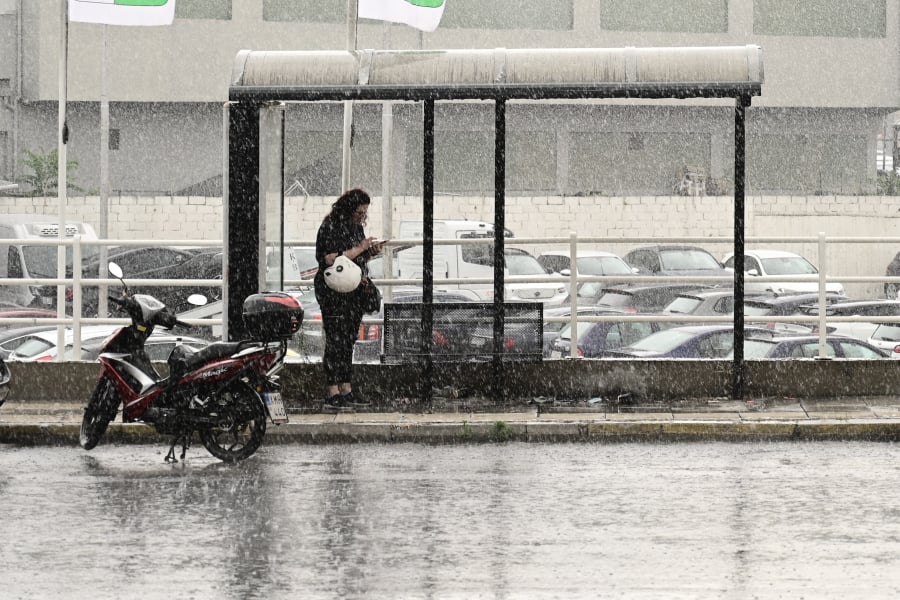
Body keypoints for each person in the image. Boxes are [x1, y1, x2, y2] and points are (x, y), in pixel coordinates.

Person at [314, 189, 386, 412]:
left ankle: (346, 388)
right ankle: (332, 390)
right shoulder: (330, 227)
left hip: (354, 290)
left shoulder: (356, 227)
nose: (361, 217)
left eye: (364, 213)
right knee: (336, 340)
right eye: (359, 212)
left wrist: (371, 251)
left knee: (348, 340)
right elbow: (330, 259)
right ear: (348, 209)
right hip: (334, 293)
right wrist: (361, 247)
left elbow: (356, 258)